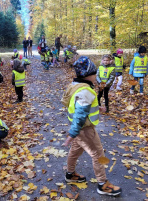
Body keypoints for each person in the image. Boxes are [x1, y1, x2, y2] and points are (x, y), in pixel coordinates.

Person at [61, 56, 122, 196]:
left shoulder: (76, 85)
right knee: (98, 154)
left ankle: (69, 174)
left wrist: (97, 108)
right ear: (88, 75)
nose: (96, 76)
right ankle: (102, 184)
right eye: (95, 74)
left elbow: (79, 105)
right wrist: (73, 133)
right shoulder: (86, 91)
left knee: (75, 151)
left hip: (79, 129)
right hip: (85, 130)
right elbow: (80, 114)